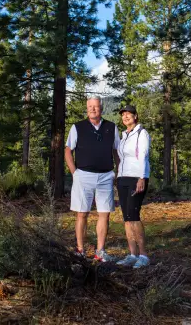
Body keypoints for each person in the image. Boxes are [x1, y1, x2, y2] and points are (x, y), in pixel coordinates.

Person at [65, 96, 120, 262]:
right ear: (86, 108)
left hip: (105, 176)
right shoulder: (77, 127)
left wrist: (119, 172)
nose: (93, 109)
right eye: (90, 107)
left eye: (96, 106)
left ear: (101, 108)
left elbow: (116, 151)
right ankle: (80, 250)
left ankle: (100, 251)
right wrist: (74, 172)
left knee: (104, 214)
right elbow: (68, 150)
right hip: (83, 175)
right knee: (82, 214)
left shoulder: (112, 127)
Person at [115, 105, 151, 269]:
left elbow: (143, 155)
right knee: (127, 218)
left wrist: (141, 177)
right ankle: (132, 254)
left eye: (129, 114)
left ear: (136, 116)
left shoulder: (141, 133)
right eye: (123, 115)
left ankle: (143, 255)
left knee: (134, 215)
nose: (126, 117)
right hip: (122, 178)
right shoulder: (123, 136)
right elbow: (121, 159)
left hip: (136, 178)